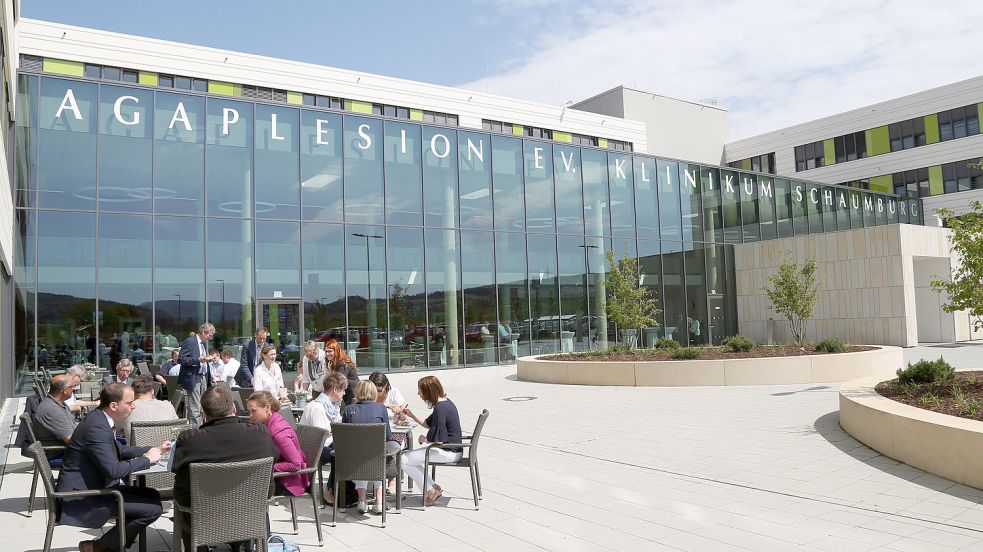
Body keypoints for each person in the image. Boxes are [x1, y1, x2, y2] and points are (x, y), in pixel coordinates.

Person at [57, 383, 169, 552]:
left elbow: (120, 449)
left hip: (96, 486)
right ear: (114, 406)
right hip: (83, 496)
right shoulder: (97, 428)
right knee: (153, 509)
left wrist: (153, 449)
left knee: (151, 494)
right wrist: (147, 459)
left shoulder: (100, 419)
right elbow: (114, 470)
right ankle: (100, 547)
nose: (134, 406)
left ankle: (112, 544)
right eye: (130, 402)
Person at [170, 386, 279, 552]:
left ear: (205, 415)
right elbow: (275, 460)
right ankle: (242, 546)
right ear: (234, 408)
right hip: (248, 511)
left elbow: (179, 483)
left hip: (202, 516)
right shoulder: (260, 434)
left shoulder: (190, 441)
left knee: (185, 504)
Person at [400, 376, 463, 507]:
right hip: (453, 449)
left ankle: (431, 491)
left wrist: (426, 439)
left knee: (402, 460)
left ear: (428, 391)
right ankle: (433, 487)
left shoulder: (440, 409)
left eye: (420, 390)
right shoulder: (446, 403)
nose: (418, 393)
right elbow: (428, 424)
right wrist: (411, 415)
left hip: (449, 452)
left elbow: (439, 440)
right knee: (410, 459)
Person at [343, 381, 399, 514]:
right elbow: (388, 436)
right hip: (376, 458)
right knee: (377, 454)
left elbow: (344, 436)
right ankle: (379, 501)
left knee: (362, 454)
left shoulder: (348, 409)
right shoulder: (381, 409)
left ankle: (362, 500)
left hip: (352, 461)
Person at [299, 372, 350, 507]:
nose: (344, 393)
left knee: (346, 448)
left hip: (324, 443)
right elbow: (320, 436)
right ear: (335, 390)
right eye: (343, 390)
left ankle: (345, 489)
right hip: (312, 448)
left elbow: (337, 423)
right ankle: (329, 490)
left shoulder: (331, 405)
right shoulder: (317, 408)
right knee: (339, 454)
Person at [246, 391, 309, 496]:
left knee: (245, 489)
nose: (250, 416)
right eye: (249, 411)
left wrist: (267, 466)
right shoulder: (270, 421)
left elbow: (295, 464)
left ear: (267, 408)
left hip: (289, 482)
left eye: (253, 411)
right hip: (278, 476)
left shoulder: (278, 432)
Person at [178, 322, 218, 428]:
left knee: (202, 407)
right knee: (195, 408)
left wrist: (208, 360)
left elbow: (202, 361)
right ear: (204, 332)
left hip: (203, 377)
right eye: (210, 335)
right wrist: (198, 360)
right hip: (193, 377)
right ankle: (196, 434)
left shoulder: (202, 343)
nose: (210, 338)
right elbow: (181, 359)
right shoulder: (190, 341)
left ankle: (202, 429)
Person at [33, 375, 78, 460]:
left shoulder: (57, 402)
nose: (74, 389)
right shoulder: (52, 410)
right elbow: (72, 440)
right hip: (58, 455)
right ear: (66, 390)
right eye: (73, 386)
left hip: (63, 451)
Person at [323, 339, 359, 405]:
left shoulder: (342, 364)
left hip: (352, 393)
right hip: (348, 392)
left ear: (336, 351)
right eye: (326, 351)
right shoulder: (335, 362)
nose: (327, 354)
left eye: (330, 351)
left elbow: (339, 382)